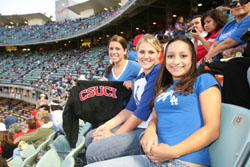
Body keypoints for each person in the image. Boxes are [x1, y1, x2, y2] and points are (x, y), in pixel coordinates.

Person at [85, 36, 221, 167]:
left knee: (95, 153)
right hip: (153, 157)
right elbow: (155, 118)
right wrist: (150, 130)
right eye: (171, 56)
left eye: (183, 56)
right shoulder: (164, 88)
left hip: (181, 161)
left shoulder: (204, 80)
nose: (176, 61)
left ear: (193, 58)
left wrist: (174, 151)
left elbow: (212, 129)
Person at [85, 34, 161, 164]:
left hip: (146, 131)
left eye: (151, 52)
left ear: (159, 54)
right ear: (136, 53)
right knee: (90, 136)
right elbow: (130, 108)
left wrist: (114, 135)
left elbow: (142, 112)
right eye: (142, 52)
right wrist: (106, 126)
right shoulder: (141, 73)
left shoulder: (157, 71)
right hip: (137, 127)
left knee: (94, 151)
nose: (146, 56)